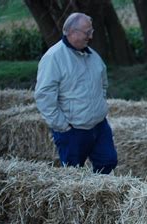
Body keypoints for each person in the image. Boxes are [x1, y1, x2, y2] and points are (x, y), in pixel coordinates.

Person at [34, 12, 117, 174]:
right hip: (73, 130)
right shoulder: (53, 57)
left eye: (91, 31)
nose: (91, 36)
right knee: (73, 173)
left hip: (99, 126)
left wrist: (99, 106)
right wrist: (62, 126)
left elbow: (103, 85)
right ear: (72, 32)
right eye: (88, 32)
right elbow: (44, 96)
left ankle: (99, 196)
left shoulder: (93, 56)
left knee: (108, 162)